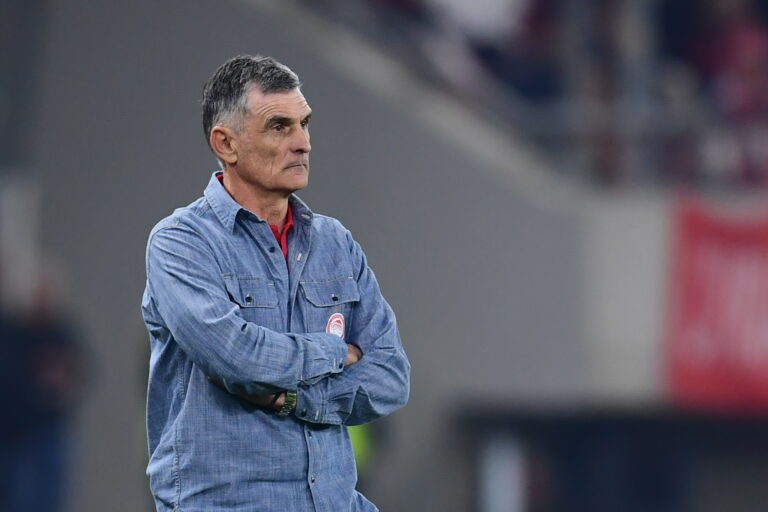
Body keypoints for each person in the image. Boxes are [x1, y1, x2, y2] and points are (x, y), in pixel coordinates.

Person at [141, 54, 410, 512]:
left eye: (305, 124)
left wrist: (293, 400)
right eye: (279, 127)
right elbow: (238, 358)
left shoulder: (335, 243)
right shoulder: (181, 243)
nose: (303, 143)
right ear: (226, 144)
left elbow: (391, 375)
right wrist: (335, 352)